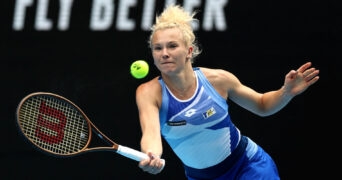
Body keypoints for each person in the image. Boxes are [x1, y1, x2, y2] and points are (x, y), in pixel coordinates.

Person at [135, 4, 319, 180]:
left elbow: (262, 105)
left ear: (189, 51)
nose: (164, 53)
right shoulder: (149, 92)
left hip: (248, 165)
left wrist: (286, 92)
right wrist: (151, 155)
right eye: (158, 48)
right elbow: (151, 133)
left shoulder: (218, 80)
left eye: (172, 46)